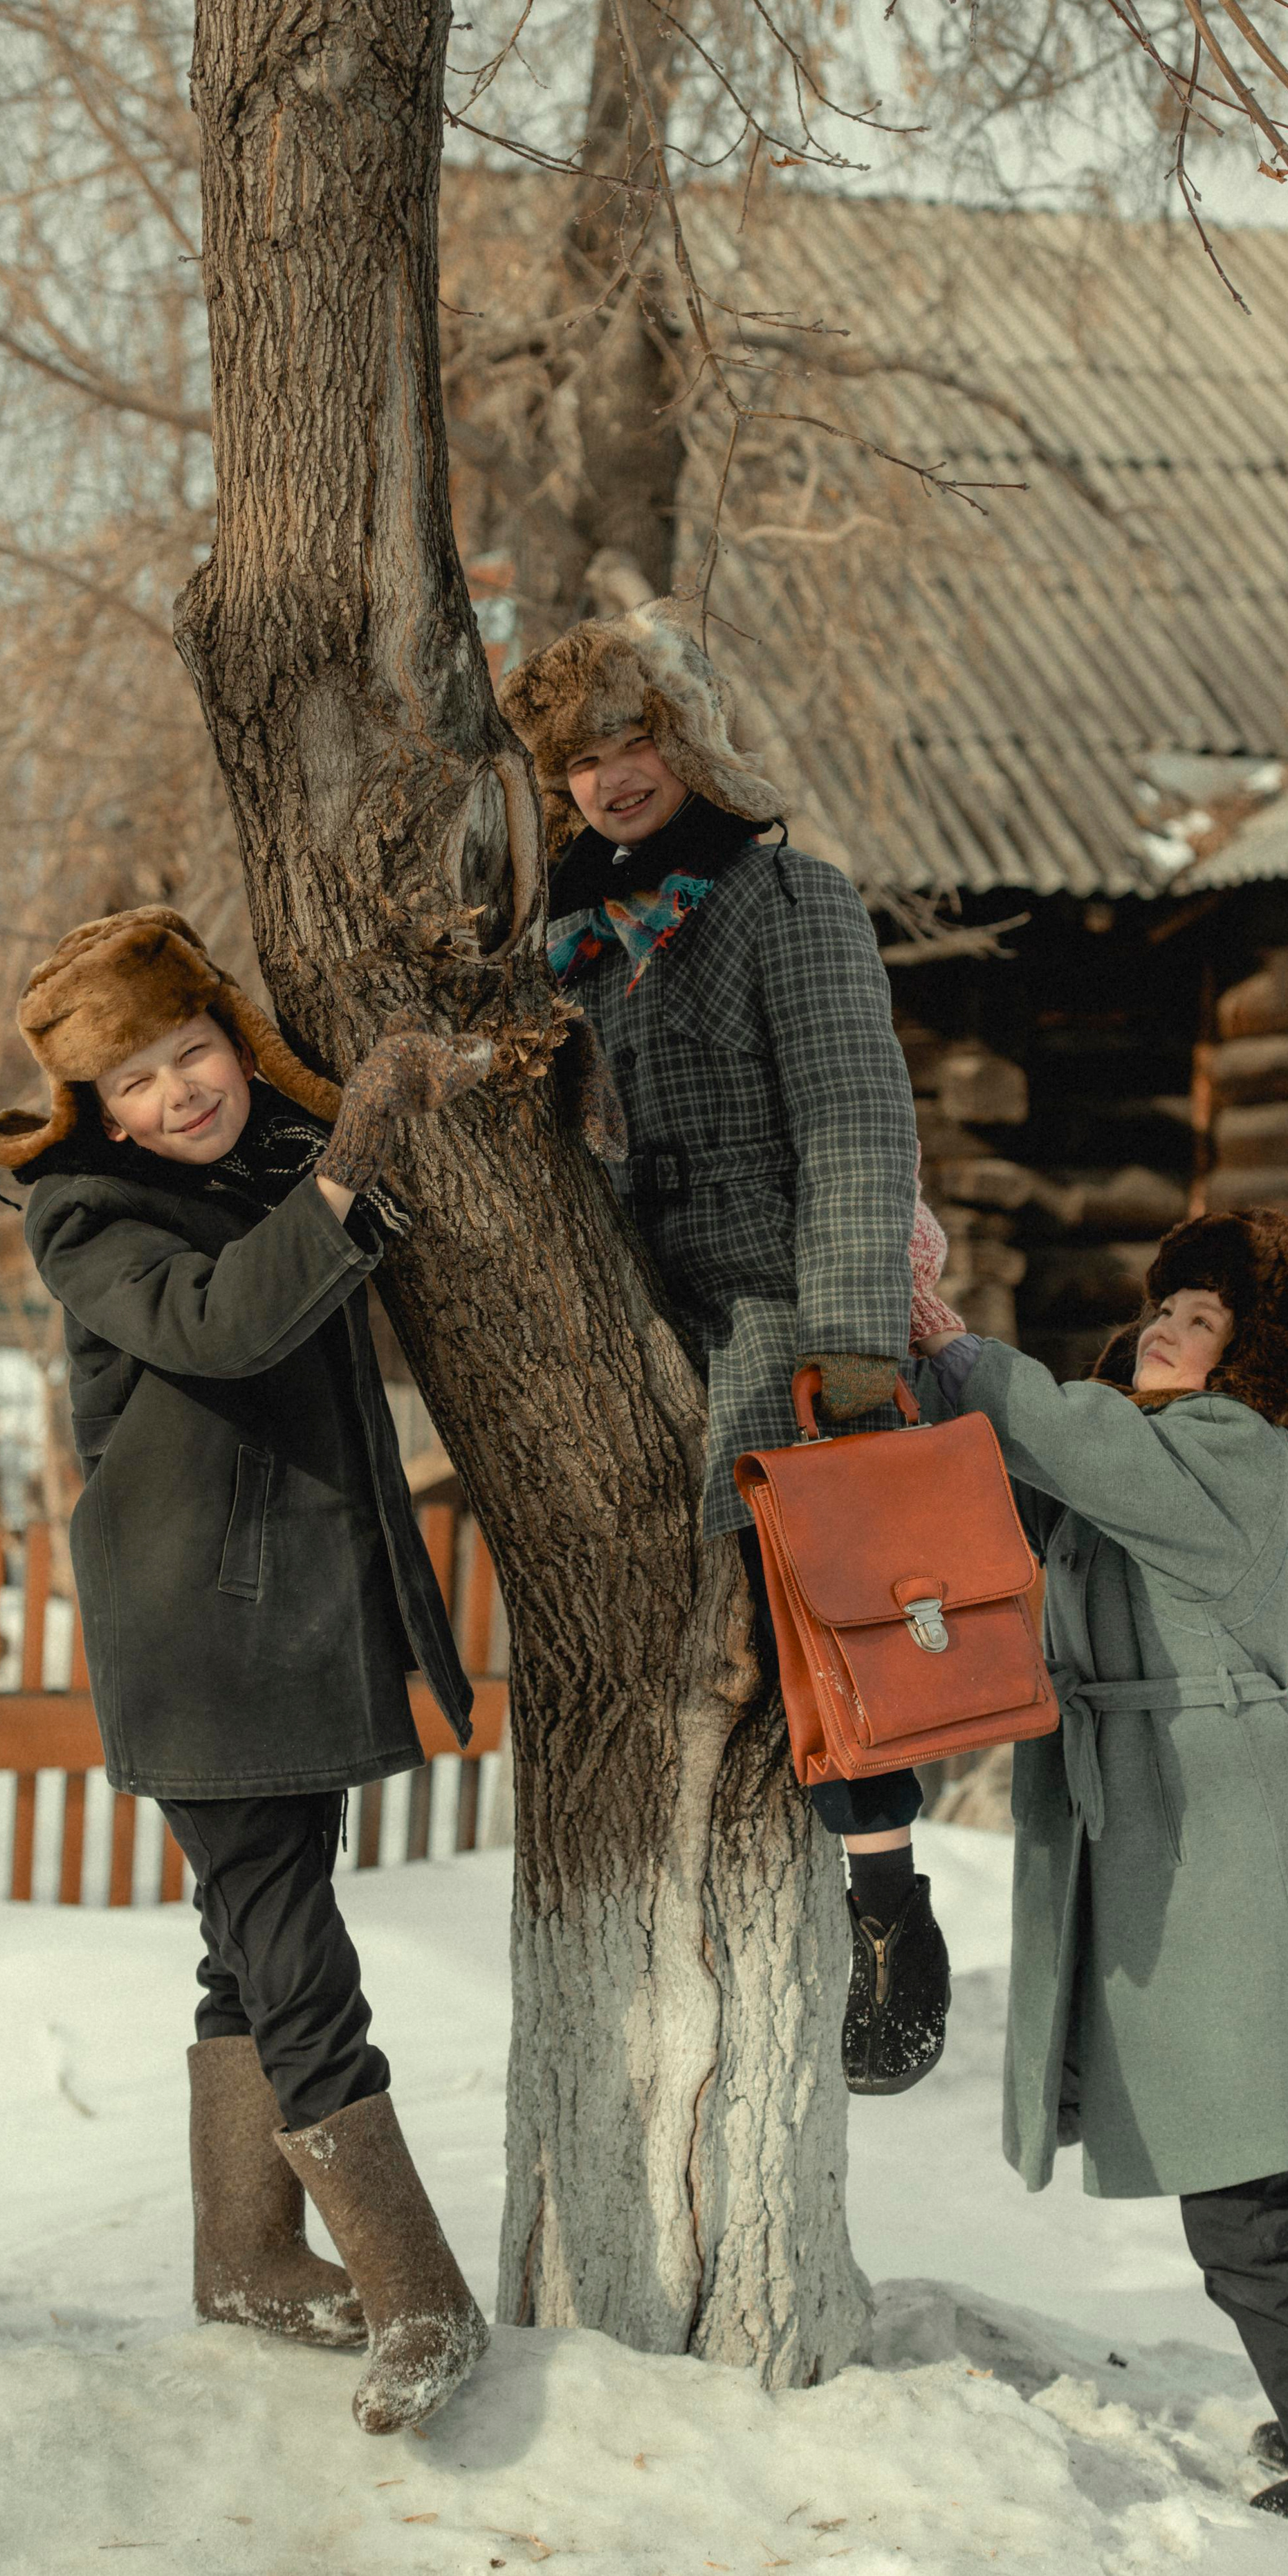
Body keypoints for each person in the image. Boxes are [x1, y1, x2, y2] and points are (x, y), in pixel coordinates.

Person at [0, 905, 492, 2436]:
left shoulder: (263, 1177)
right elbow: (221, 1323)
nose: (175, 1095)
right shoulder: (89, 1214)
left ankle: (247, 2251)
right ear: (92, 1110)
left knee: (242, 1941)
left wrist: (353, 1162)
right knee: (290, 1949)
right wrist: (347, 1166)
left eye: (191, 1053)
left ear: (233, 1044)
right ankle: (417, 2296)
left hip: (285, 1622)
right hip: (202, 1637)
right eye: (132, 1081)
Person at [912, 1208, 1288, 2540]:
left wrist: (958, 1344)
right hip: (1191, 1811)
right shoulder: (1157, 1448)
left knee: (1239, 2181)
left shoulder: (1231, 1453)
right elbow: (1041, 1483)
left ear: (1254, 1361)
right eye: (1167, 1304)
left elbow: (1070, 1440)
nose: (1166, 1324)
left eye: (1204, 1319)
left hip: (1218, 1824)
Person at [499, 601, 963, 2092]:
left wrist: (847, 1340)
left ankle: (887, 1904)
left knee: (789, 1593)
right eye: (579, 759)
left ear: (687, 741)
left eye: (634, 741)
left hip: (773, 1296)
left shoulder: (788, 898)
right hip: (642, 1297)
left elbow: (853, 1120)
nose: (611, 778)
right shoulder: (575, 932)